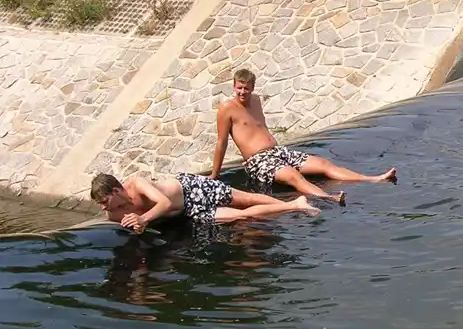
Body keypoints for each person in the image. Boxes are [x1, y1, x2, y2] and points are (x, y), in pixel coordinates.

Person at [211, 69, 397, 201]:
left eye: (247, 88)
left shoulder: (257, 101)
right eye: (239, 88)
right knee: (293, 176)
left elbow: (258, 128)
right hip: (258, 161)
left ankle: (374, 178)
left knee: (323, 164)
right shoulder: (227, 109)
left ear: (253, 87)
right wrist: (215, 175)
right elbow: (221, 142)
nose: (243, 92)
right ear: (234, 87)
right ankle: (330, 198)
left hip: (278, 152)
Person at [90, 172, 318, 234]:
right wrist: (139, 227)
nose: (102, 207)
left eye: (104, 201)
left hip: (191, 189)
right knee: (241, 215)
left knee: (244, 198)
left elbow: (164, 203)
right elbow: (139, 228)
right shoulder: (113, 215)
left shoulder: (136, 184)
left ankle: (288, 201)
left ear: (117, 190)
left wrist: (143, 219)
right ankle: (295, 204)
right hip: (189, 212)